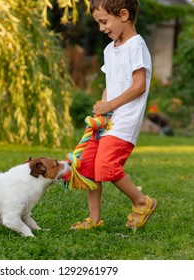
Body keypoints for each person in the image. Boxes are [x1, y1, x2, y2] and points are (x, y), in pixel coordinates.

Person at [71, 0, 157, 230]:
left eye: (104, 21)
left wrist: (110, 104)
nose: (101, 28)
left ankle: (142, 202)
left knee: (107, 167)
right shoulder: (110, 49)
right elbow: (110, 85)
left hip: (125, 121)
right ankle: (94, 219)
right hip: (107, 121)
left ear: (123, 14)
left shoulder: (136, 46)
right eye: (98, 23)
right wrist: (102, 105)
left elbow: (139, 86)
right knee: (88, 166)